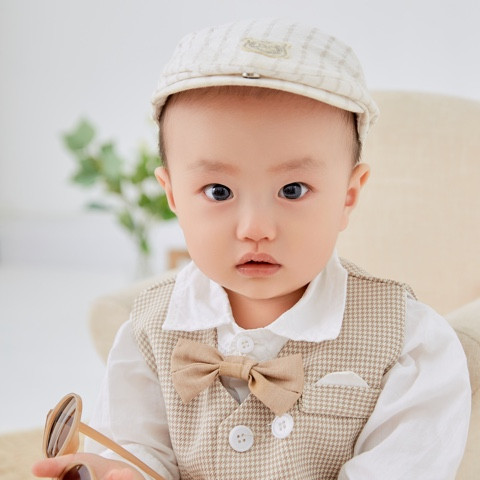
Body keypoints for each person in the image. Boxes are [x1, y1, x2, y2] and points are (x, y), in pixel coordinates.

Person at [33, 18, 471, 480]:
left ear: (348, 195)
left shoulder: (408, 341)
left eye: (293, 190)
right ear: (173, 195)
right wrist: (127, 472)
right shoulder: (148, 331)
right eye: (219, 191)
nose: (256, 228)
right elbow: (139, 448)